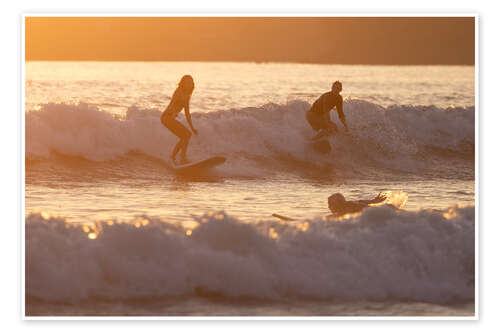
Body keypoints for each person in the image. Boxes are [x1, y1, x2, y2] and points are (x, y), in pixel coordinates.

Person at [161, 75, 198, 165]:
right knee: (185, 136)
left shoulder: (187, 96)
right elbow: (173, 102)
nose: (189, 84)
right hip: (167, 117)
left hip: (170, 118)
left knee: (186, 135)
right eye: (187, 82)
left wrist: (193, 128)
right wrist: (173, 112)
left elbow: (187, 114)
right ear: (183, 83)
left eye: (190, 82)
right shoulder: (178, 91)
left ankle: (174, 157)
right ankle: (181, 158)